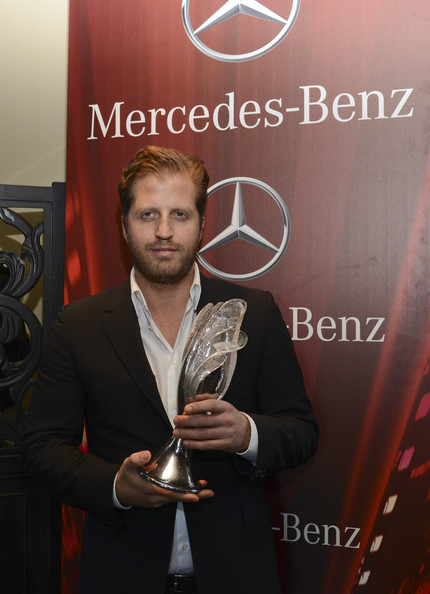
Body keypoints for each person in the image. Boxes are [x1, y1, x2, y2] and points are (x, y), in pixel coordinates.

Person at [22, 145, 318, 594]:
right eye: (147, 215)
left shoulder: (253, 312)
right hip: (123, 573)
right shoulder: (78, 324)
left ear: (202, 225)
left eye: (180, 215)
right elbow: (41, 447)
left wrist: (246, 435)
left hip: (236, 575)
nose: (164, 231)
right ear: (124, 227)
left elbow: (301, 431)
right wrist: (117, 486)